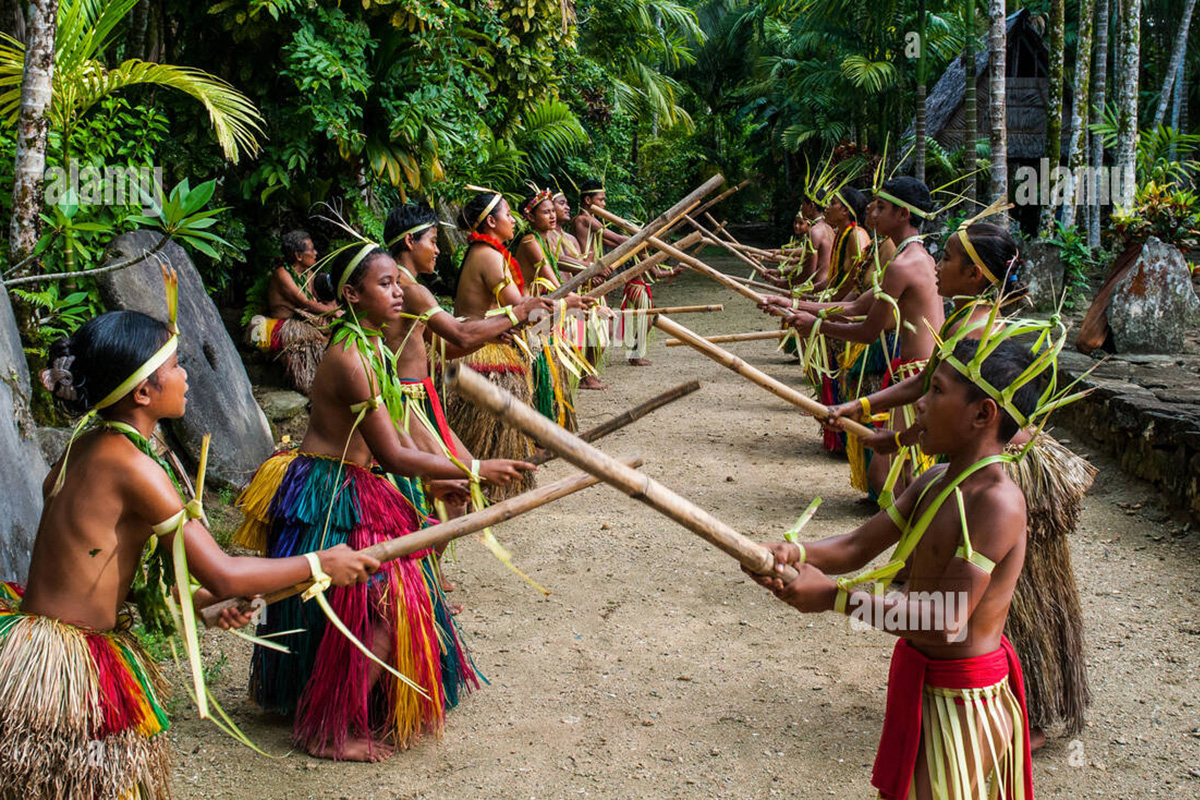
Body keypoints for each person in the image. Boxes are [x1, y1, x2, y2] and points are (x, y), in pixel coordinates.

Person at [6, 302, 377, 798]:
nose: (186, 377)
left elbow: (102, 568)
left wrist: (202, 603)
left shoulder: (84, 445)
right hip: (71, 663)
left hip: (37, 638)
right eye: (175, 367)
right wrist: (321, 562)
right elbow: (225, 573)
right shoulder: (137, 470)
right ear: (143, 392)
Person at [234, 245, 535, 761]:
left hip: (356, 481)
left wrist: (447, 471)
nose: (399, 292)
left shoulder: (373, 349)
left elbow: (400, 428)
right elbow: (394, 454)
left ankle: (339, 702)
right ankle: (329, 727)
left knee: (383, 598)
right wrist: (474, 468)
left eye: (398, 283)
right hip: (330, 494)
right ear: (352, 295)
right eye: (385, 285)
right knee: (382, 604)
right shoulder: (352, 359)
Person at [827, 221, 1096, 747]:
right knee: (981, 600)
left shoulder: (987, 341)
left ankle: (1028, 708)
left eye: (947, 258)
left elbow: (940, 616)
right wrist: (887, 431)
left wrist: (836, 600)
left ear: (976, 273)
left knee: (1004, 602)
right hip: (967, 463)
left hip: (1002, 466)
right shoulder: (936, 472)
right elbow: (929, 393)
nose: (937, 266)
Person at [748, 336, 1047, 800]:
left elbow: (948, 622)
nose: (920, 405)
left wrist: (834, 598)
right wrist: (795, 554)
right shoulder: (933, 481)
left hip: (963, 702)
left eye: (937, 392)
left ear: (983, 414)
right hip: (926, 682)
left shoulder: (997, 504)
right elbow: (854, 546)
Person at [761, 177, 943, 490]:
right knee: (890, 476)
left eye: (882, 207)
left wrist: (815, 325)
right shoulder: (909, 258)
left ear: (903, 215)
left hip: (919, 375)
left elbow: (869, 331)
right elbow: (857, 305)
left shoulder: (904, 264)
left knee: (893, 477)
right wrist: (791, 303)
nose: (873, 212)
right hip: (914, 373)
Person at [244, 230, 338, 394]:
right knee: (312, 338)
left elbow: (316, 301)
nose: (316, 253)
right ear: (298, 255)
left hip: (305, 321)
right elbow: (305, 302)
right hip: (285, 327)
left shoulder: (307, 274)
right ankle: (310, 386)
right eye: (311, 249)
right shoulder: (282, 274)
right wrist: (333, 312)